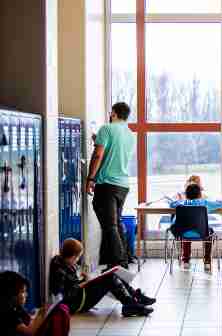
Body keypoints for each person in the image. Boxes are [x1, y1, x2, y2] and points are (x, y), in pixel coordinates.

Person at [85, 102, 136, 270]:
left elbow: (98, 155)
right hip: (122, 186)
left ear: (113, 113)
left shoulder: (106, 129)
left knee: (110, 225)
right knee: (114, 223)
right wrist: (97, 139)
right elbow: (113, 151)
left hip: (107, 184)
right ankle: (121, 260)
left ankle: (119, 264)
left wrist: (90, 178)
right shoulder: (130, 134)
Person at [49, 239, 155, 317]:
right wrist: (82, 283)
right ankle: (131, 304)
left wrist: (84, 281)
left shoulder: (63, 263)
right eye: (77, 258)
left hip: (80, 295)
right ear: (72, 256)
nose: (77, 261)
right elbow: (63, 295)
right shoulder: (60, 270)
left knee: (110, 272)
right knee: (109, 278)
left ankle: (134, 298)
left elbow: (71, 285)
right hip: (78, 303)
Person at [169, 184, 222, 272]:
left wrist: (181, 199)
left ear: (186, 195)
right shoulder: (204, 203)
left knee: (186, 230)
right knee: (209, 233)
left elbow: (171, 204)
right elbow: (221, 204)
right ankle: (207, 261)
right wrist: (217, 199)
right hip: (202, 233)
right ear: (200, 194)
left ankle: (186, 261)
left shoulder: (181, 203)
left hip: (183, 234)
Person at [1, 271, 70, 336]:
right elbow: (30, 332)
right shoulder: (8, 314)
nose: (26, 295)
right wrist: (42, 313)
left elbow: (29, 319)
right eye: (23, 292)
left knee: (61, 308)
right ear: (11, 294)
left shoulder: (17, 307)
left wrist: (39, 313)